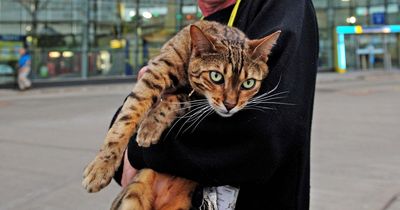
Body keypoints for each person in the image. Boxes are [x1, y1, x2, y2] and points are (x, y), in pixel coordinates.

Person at [112, 0, 319, 209]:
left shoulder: (280, 6)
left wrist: (140, 150)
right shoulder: (202, 30)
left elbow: (261, 134)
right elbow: (119, 155)